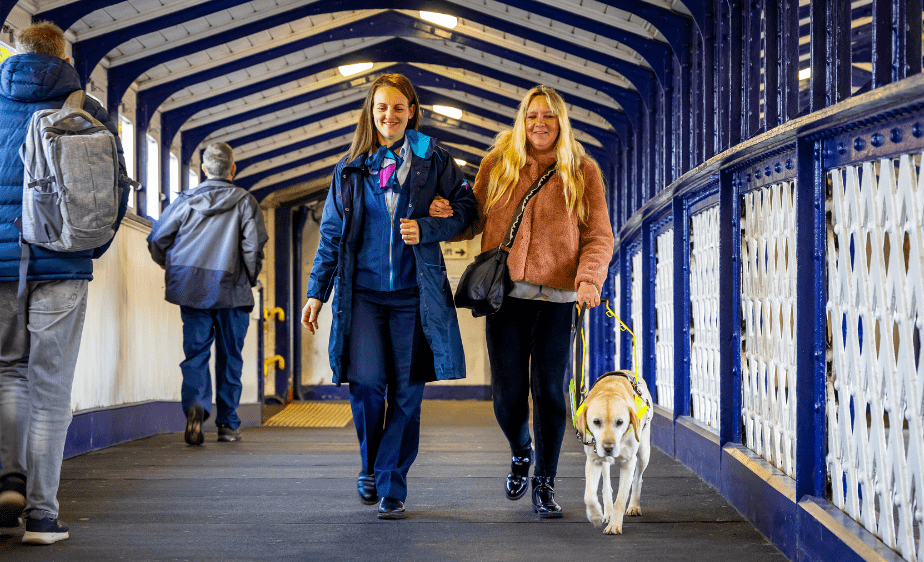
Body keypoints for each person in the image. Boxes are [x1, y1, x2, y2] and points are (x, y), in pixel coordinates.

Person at [300, 74, 476, 520]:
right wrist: (315, 293)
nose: (389, 115)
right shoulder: (351, 167)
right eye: (381, 107)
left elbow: (468, 210)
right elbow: (331, 236)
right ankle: (371, 465)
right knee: (365, 386)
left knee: (407, 392)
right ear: (371, 111)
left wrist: (430, 227)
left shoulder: (433, 159)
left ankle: (391, 485)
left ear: (412, 111)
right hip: (362, 297)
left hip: (414, 297)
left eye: (399, 107)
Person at [431, 85, 613, 518]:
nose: (540, 124)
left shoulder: (583, 171)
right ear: (522, 120)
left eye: (549, 116)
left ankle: (545, 483)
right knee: (508, 393)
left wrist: (588, 280)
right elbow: (473, 218)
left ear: (561, 122)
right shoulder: (498, 165)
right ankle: (520, 449)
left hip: (558, 300)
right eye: (532, 116)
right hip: (506, 297)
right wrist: (444, 216)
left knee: (549, 392)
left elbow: (599, 236)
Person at [0, 22, 132, 545]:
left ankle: (9, 483)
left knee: (9, 373)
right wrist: (86, 251)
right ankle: (43, 516)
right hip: (64, 263)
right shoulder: (88, 109)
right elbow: (114, 195)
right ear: (62, 56)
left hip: (1, 268)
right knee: (51, 388)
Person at [147, 142, 267, 446]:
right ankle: (227, 424)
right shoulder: (245, 201)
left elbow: (158, 239)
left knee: (196, 353)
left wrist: (177, 269)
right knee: (231, 357)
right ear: (233, 169)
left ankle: (196, 408)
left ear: (204, 170)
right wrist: (248, 277)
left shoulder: (185, 201)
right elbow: (252, 247)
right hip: (233, 289)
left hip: (193, 289)